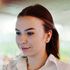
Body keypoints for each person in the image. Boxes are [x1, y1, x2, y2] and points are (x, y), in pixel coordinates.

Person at [3, 4, 70, 70]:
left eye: (30, 33)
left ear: (48, 36)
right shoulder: (9, 68)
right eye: (18, 33)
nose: (21, 41)